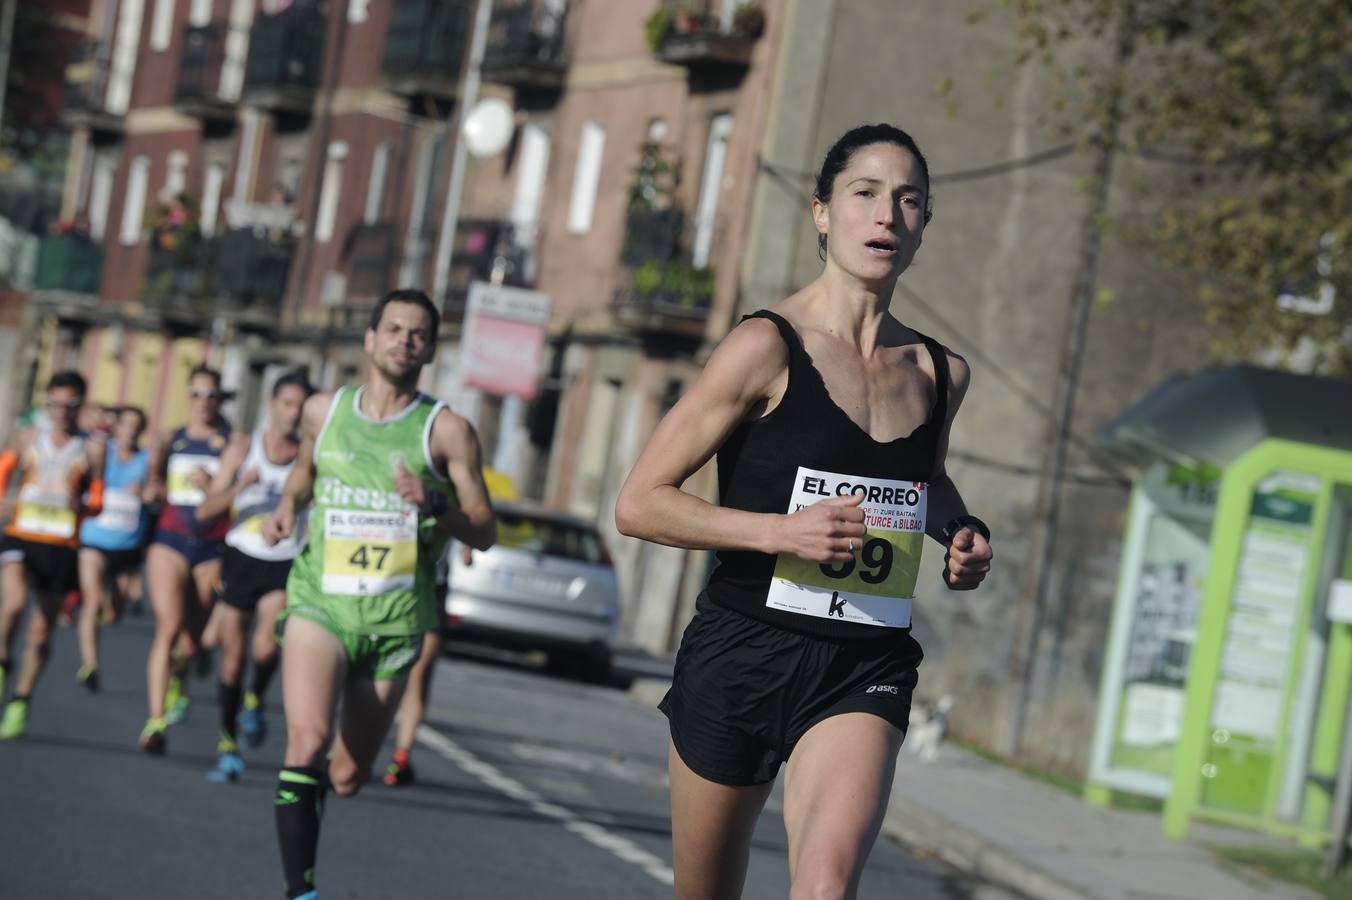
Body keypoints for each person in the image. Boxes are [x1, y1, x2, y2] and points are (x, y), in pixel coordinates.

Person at [614, 123, 994, 900]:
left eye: (908, 200)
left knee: (824, 889)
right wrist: (778, 533)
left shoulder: (938, 372)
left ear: (924, 225)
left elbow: (925, 481)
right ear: (822, 213)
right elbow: (639, 503)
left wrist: (957, 531)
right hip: (744, 650)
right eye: (865, 194)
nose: (887, 214)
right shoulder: (764, 347)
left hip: (863, 661)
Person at [262, 289, 495, 900]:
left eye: (417, 334)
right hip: (321, 601)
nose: (403, 341)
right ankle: (300, 890)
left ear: (430, 349)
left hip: (394, 621)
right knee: (306, 741)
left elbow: (485, 527)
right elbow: (305, 472)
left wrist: (435, 502)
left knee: (345, 775)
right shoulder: (324, 411)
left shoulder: (446, 431)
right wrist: (287, 505)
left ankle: (335, 789)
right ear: (370, 339)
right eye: (393, 329)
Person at [196, 370, 313, 783]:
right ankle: (227, 745)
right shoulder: (243, 449)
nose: (293, 413)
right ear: (271, 405)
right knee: (232, 657)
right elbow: (205, 512)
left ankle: (254, 699)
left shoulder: (309, 458)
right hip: (241, 556)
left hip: (285, 557)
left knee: (266, 646)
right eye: (287, 404)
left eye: (301, 406)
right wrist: (238, 487)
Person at [0, 371, 106, 738]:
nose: (62, 412)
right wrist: (4, 500)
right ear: (47, 403)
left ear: (81, 406)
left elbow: (98, 502)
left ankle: (21, 700)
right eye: (56, 404)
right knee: (12, 605)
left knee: (41, 633)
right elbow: (3, 472)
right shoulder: (29, 436)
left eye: (71, 405)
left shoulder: (92, 448)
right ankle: (2, 663)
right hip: (22, 534)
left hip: (60, 544)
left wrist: (85, 504)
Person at [139, 365, 234, 755]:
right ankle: (155, 720)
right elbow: (153, 485)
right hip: (171, 540)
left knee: (192, 643)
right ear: (188, 396)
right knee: (169, 625)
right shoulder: (171, 439)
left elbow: (238, 499)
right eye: (197, 394)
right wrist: (152, 488)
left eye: (211, 395)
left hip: (212, 547)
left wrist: (214, 489)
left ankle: (182, 673)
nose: (203, 402)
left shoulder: (231, 444)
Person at [76, 405, 155, 692]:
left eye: (136, 426)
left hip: (128, 546)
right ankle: (90, 663)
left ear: (141, 431)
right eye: (125, 424)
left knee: (112, 614)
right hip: (94, 539)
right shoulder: (101, 452)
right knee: (92, 602)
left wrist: (147, 493)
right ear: (117, 427)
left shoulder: (147, 461)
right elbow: (80, 467)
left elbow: (158, 492)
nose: (130, 431)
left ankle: (112, 606)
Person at [381, 543, 472, 787]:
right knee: (376, 668)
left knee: (419, 672)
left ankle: (402, 755)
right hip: (388, 582)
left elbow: (469, 514)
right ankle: (345, 743)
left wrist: (468, 543)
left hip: (432, 586)